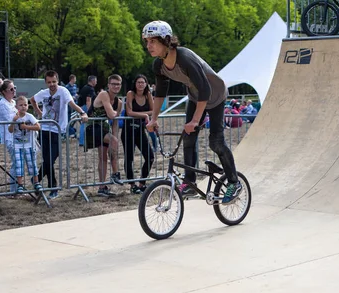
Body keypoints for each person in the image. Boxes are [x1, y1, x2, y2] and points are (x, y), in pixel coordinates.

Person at [143, 20, 242, 203]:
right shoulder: (159, 65)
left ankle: (234, 182)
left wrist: (195, 121)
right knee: (188, 138)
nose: (148, 46)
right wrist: (153, 118)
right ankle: (189, 182)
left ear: (166, 40)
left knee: (216, 142)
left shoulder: (185, 58)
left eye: (152, 41)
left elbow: (206, 89)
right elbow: (160, 93)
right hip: (196, 97)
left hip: (215, 95)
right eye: (146, 42)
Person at [30, 70, 88, 199]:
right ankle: (53, 187)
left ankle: (36, 179)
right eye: (49, 82)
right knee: (47, 160)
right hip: (44, 129)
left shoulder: (63, 91)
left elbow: (71, 103)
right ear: (46, 82)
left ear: (57, 80)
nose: (52, 84)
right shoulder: (43, 93)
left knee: (51, 158)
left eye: (54, 82)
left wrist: (82, 112)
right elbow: (32, 100)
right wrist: (39, 112)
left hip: (57, 130)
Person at [85, 74, 124, 197]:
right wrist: (114, 140)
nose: (115, 86)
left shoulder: (119, 102)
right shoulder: (103, 95)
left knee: (104, 157)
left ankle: (102, 187)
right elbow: (112, 115)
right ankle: (115, 174)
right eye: (113, 84)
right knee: (113, 143)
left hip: (105, 128)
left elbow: (115, 123)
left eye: (118, 84)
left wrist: (115, 136)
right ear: (108, 85)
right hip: (93, 127)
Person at [123, 74, 155, 194]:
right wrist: (145, 115)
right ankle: (132, 184)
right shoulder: (130, 94)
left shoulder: (148, 95)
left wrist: (145, 114)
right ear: (135, 84)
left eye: (143, 82)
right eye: (138, 82)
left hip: (140, 130)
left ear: (146, 84)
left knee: (150, 156)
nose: (141, 84)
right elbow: (129, 112)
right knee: (129, 158)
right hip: (129, 130)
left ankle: (142, 183)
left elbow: (154, 110)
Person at [8, 96, 42, 194]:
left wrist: (26, 126)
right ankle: (20, 185)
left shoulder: (29, 116)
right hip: (17, 145)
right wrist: (13, 121)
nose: (23, 107)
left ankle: (36, 182)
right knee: (19, 165)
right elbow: (10, 130)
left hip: (29, 145)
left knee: (32, 163)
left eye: (25, 105)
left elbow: (38, 127)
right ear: (16, 106)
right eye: (21, 105)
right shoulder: (14, 117)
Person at [0, 78, 18, 193]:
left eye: (15, 88)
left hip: (18, 136)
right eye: (11, 89)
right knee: (16, 162)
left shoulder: (13, 102)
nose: (14, 91)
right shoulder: (3, 104)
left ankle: (16, 188)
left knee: (19, 162)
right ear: (4, 91)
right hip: (10, 137)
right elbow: (11, 121)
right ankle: (13, 189)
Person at [77, 75, 97, 147]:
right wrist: (89, 111)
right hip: (86, 107)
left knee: (84, 124)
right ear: (92, 81)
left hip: (82, 106)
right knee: (85, 123)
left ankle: (83, 140)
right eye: (95, 80)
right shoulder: (90, 89)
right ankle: (82, 141)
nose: (96, 82)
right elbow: (88, 100)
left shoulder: (84, 87)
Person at [65, 74, 78, 138]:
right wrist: (72, 97)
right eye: (75, 79)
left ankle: (71, 130)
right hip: (69, 105)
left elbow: (75, 93)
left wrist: (76, 95)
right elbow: (67, 95)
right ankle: (71, 131)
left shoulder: (75, 86)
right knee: (68, 118)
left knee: (74, 117)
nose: (75, 80)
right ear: (72, 79)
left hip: (75, 103)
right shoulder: (67, 87)